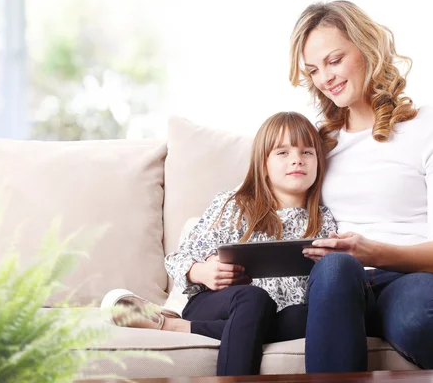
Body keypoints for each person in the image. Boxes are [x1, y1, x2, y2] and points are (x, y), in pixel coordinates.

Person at [288, 0, 433, 373]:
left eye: (334, 60)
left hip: (415, 280)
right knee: (337, 268)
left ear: (367, 49)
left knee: (415, 321)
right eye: (314, 70)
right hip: (341, 285)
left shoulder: (431, 128)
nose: (325, 78)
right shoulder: (319, 145)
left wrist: (373, 252)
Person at [109, 111, 336, 376]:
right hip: (218, 303)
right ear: (263, 164)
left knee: (308, 317)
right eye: (283, 153)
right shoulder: (235, 205)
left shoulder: (323, 220)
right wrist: (203, 272)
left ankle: (177, 327)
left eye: (307, 152)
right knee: (254, 299)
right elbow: (177, 259)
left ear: (319, 162)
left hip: (279, 314)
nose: (297, 160)